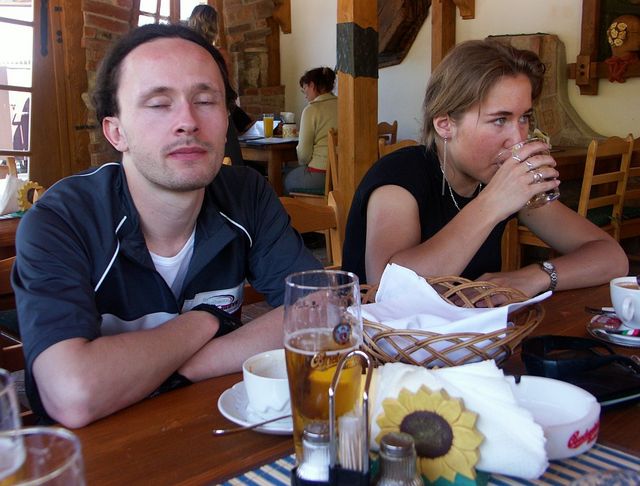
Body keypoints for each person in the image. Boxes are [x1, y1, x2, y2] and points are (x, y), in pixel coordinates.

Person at [12, 24, 322, 428]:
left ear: (226, 119)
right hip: (94, 447)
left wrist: (183, 366)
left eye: (205, 100)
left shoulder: (246, 194)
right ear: (116, 132)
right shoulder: (62, 220)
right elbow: (72, 394)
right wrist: (205, 320)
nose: (187, 121)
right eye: (159, 104)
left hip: (214, 422)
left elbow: (322, 308)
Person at [342, 39, 628, 295]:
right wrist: (493, 204)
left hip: (471, 333)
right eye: (500, 120)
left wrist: (535, 276)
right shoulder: (398, 178)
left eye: (524, 118)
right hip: (377, 337)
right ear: (445, 124)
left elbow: (611, 257)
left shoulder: (497, 177)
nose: (519, 138)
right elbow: (387, 289)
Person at [283, 67, 338, 194]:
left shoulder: (311, 110)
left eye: (305, 89)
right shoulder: (344, 104)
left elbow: (303, 157)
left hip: (321, 174)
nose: (305, 95)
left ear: (312, 85)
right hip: (344, 173)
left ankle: (304, 207)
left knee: (284, 178)